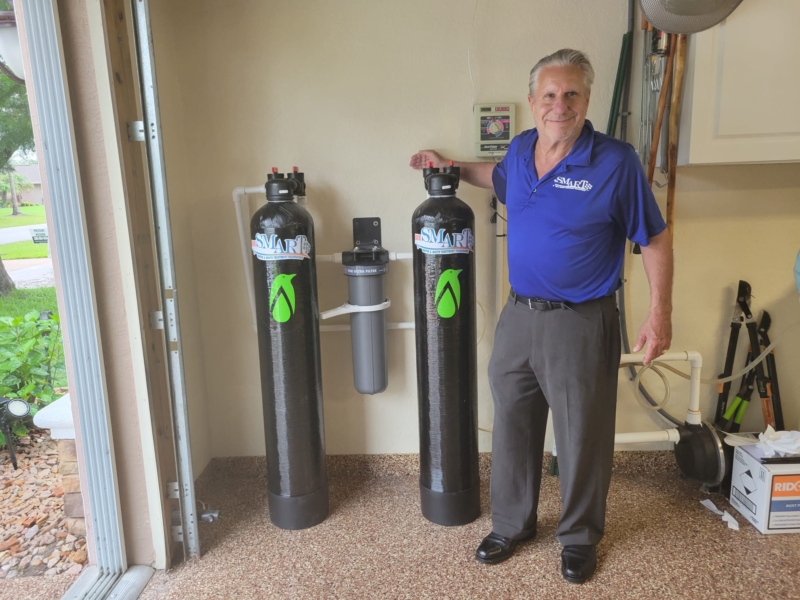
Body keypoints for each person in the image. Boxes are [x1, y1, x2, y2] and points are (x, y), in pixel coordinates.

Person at [409, 48, 673, 584]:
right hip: (518, 317)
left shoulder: (616, 162)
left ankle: (578, 537)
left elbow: (655, 238)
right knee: (512, 424)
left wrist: (659, 314)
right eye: (549, 95)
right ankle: (512, 523)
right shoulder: (523, 147)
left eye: (571, 93)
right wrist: (452, 168)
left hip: (580, 322)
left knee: (580, 436)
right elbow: (498, 175)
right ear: (533, 102)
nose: (560, 104)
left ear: (587, 99)